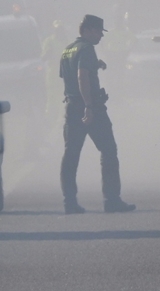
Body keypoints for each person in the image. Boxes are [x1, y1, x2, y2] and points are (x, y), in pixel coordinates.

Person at [59, 15, 135, 214]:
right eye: (99, 31)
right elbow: (81, 76)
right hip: (90, 107)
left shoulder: (68, 50)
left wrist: (96, 64)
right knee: (109, 150)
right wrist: (89, 107)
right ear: (89, 29)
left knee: (71, 155)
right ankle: (112, 200)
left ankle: (70, 202)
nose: (101, 35)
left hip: (71, 106)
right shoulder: (86, 49)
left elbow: (71, 76)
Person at [41, 20, 69, 123]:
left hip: (65, 74)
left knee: (64, 96)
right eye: (57, 29)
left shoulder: (68, 42)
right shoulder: (49, 41)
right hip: (53, 75)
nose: (59, 31)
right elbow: (43, 57)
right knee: (51, 97)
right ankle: (49, 118)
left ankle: (63, 117)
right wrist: (48, 53)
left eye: (61, 29)